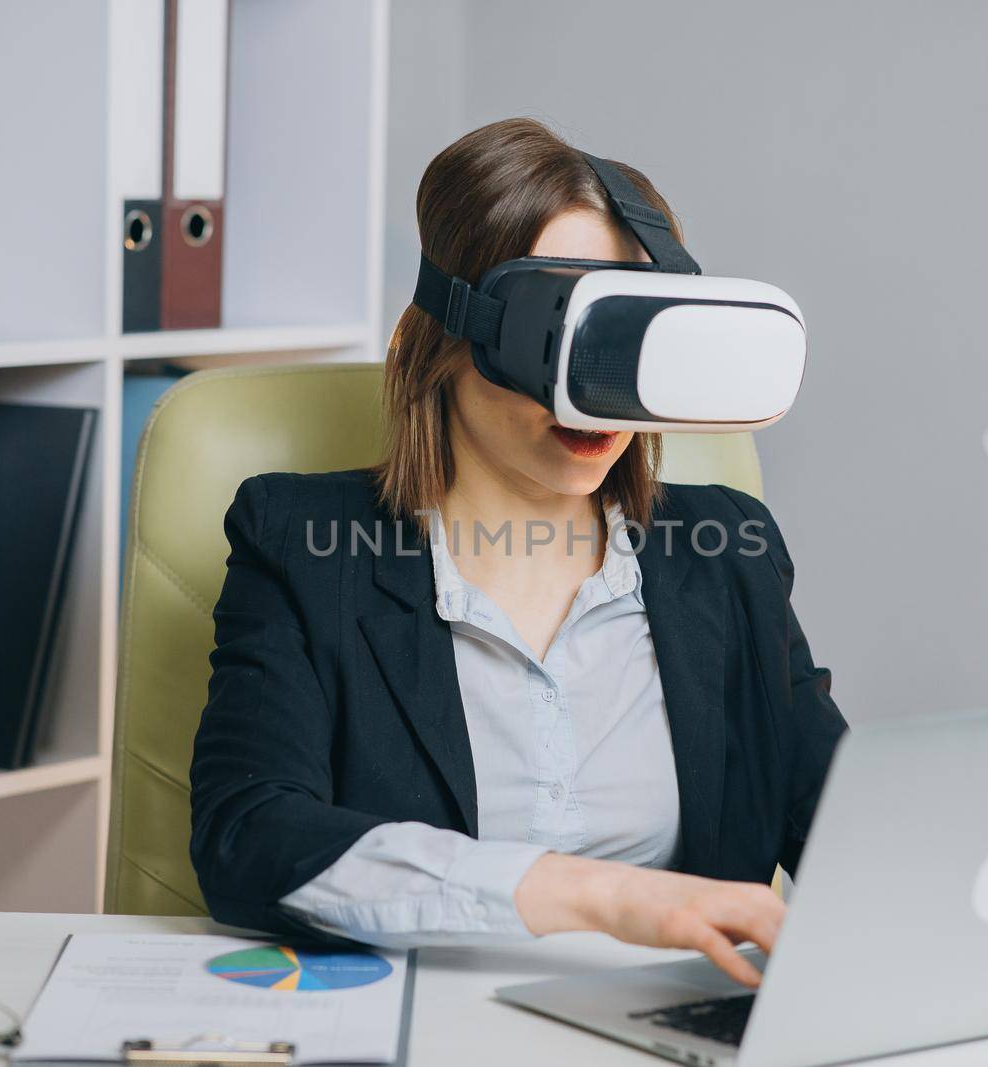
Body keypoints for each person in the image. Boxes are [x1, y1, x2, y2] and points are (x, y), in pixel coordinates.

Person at [189, 117, 846, 987]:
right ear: (448, 334)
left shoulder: (729, 554)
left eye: (626, 336)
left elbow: (851, 835)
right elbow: (248, 834)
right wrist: (599, 896)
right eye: (559, 332)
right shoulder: (305, 545)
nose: (594, 398)